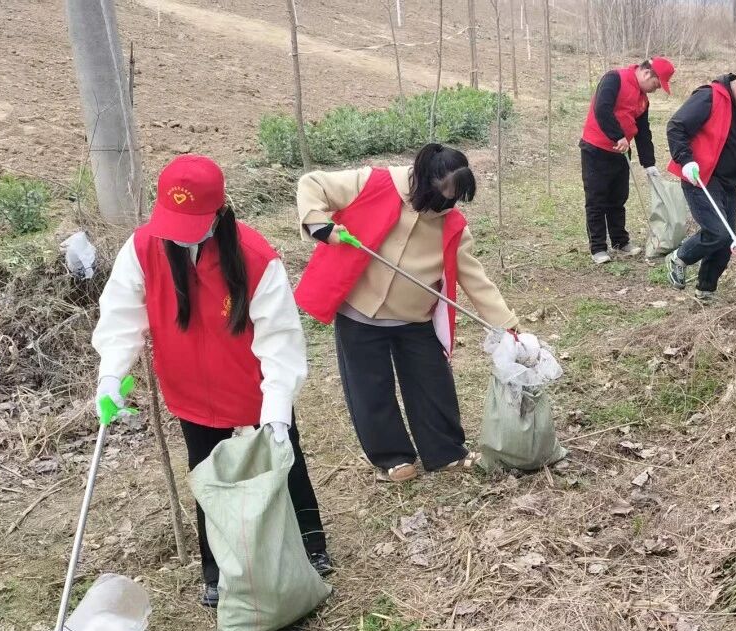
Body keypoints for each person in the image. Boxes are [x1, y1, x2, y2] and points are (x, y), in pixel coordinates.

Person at [92, 155, 329, 607]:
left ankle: (309, 547)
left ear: (220, 213)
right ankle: (217, 569)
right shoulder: (143, 248)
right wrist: (110, 376)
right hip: (188, 393)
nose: (180, 236)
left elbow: (280, 340)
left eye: (192, 223)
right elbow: (122, 316)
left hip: (251, 391)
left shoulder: (256, 258)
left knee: (282, 466)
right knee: (209, 478)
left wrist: (277, 410)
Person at [294, 143, 519, 484]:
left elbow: (478, 281)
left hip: (415, 319)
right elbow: (313, 183)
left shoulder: (453, 226)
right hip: (360, 312)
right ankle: (393, 457)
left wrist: (507, 324)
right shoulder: (372, 182)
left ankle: (445, 452)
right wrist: (320, 225)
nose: (445, 204)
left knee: (432, 384)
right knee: (369, 387)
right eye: (440, 194)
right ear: (424, 180)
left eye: (453, 197)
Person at [663, 65, 736, 303]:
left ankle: (706, 289)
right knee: (716, 232)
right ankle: (679, 257)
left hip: (729, 181)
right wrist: (685, 160)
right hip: (701, 177)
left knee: (727, 240)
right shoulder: (709, 97)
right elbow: (676, 127)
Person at [580, 57, 675, 265]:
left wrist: (649, 163)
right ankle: (598, 247)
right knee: (597, 199)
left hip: (621, 152)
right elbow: (602, 109)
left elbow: (643, 132)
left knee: (618, 198)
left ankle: (620, 241)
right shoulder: (614, 78)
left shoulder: (643, 99)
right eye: (656, 85)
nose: (656, 89)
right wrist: (617, 135)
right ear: (647, 73)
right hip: (596, 148)